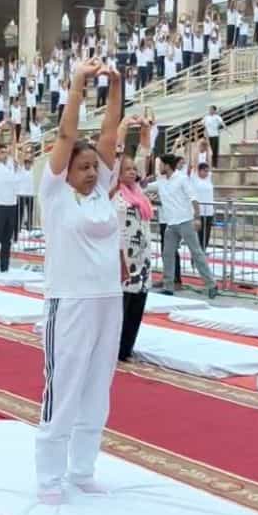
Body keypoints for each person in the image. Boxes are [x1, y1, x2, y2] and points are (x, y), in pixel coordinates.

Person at [35, 57, 123, 505]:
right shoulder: (54, 196)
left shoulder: (101, 196)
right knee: (64, 386)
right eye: (82, 167)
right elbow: (69, 135)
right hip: (69, 303)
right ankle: (50, 477)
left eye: (94, 167)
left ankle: (83, 468)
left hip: (109, 302)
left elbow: (109, 133)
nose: (91, 172)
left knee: (96, 389)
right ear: (64, 170)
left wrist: (117, 85)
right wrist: (77, 85)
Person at [114, 116, 153, 363]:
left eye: (133, 170)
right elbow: (116, 155)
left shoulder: (139, 193)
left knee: (138, 303)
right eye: (126, 169)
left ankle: (127, 348)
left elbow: (144, 154)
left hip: (142, 258)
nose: (132, 172)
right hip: (123, 257)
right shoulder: (114, 194)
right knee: (121, 306)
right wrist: (123, 129)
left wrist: (145, 131)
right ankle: (114, 348)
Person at [154, 146, 216, 297]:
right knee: (167, 254)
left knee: (196, 253)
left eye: (161, 164)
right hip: (171, 224)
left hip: (185, 221)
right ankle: (168, 286)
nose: (159, 167)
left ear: (167, 165)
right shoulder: (161, 181)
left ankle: (211, 284)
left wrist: (197, 217)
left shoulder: (182, 179)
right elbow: (145, 188)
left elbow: (193, 198)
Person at [0, 126, 19, 272]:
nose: (5, 154)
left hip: (11, 205)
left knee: (7, 240)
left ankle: (5, 266)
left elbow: (14, 145)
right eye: (2, 152)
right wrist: (0, 129)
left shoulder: (11, 164)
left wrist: (13, 131)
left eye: (6, 152)